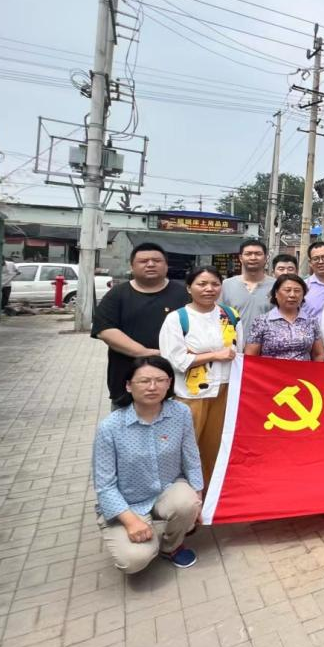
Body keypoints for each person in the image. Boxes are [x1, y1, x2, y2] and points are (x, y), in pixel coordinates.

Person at [93, 355, 202, 572]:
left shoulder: (181, 413)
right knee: (134, 560)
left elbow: (191, 457)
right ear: (128, 385)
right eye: (144, 381)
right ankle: (142, 536)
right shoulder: (110, 427)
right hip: (128, 503)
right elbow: (104, 486)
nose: (152, 387)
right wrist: (131, 522)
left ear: (169, 383)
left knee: (188, 503)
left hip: (168, 490)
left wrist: (198, 498)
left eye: (160, 380)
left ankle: (171, 547)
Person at [158, 267, 239, 488]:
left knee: (216, 447)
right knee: (187, 446)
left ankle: (210, 494)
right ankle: (183, 493)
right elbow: (174, 359)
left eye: (214, 284)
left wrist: (198, 354)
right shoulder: (177, 319)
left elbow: (237, 353)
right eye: (202, 284)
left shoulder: (230, 315)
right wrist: (214, 355)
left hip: (225, 390)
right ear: (189, 288)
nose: (209, 289)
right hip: (191, 394)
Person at [92, 242, 191, 407]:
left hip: (177, 382)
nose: (150, 264)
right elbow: (105, 330)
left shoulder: (184, 294)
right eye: (143, 261)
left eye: (156, 261)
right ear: (132, 267)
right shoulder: (117, 294)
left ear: (166, 266)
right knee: (126, 423)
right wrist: (147, 353)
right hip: (128, 382)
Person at [244, 274, 324, 361]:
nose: (292, 295)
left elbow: (318, 354)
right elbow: (250, 357)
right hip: (271, 369)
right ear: (276, 293)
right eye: (287, 290)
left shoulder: (311, 321)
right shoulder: (261, 322)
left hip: (304, 369)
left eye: (297, 291)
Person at [221, 238, 275, 347]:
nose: (253, 257)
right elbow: (219, 316)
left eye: (258, 254)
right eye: (248, 254)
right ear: (241, 258)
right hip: (233, 349)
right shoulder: (226, 285)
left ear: (266, 258)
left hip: (267, 349)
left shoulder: (277, 285)